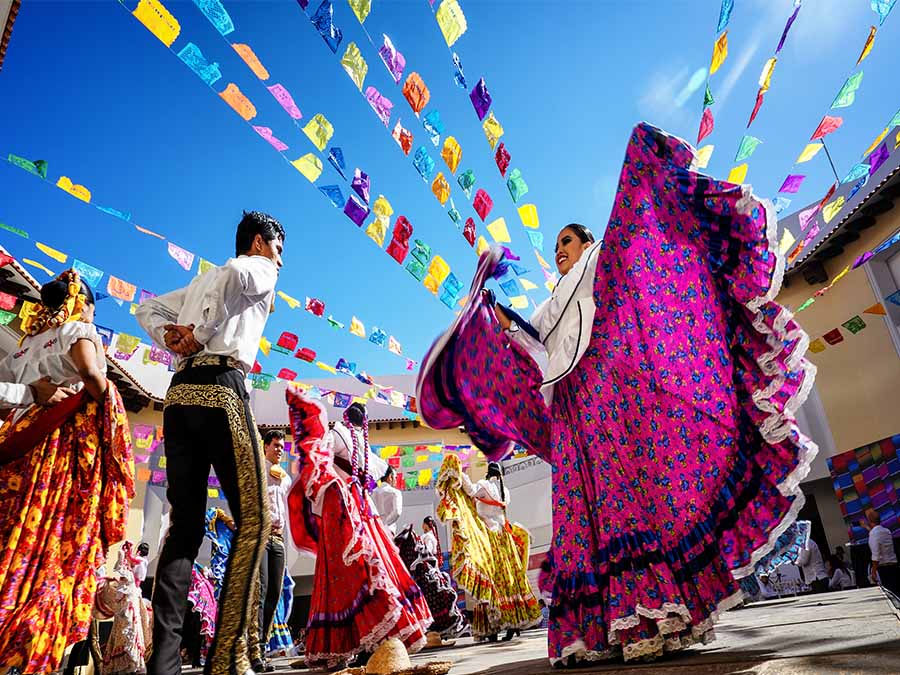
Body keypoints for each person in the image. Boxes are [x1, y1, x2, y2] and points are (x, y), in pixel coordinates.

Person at [417, 124, 817, 666]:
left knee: (628, 498)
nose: (559, 251)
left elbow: (632, 270)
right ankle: (601, 627)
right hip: (572, 411)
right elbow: (529, 346)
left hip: (612, 398)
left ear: (585, 243)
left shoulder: (601, 265)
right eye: (556, 245)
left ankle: (656, 610)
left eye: (566, 241)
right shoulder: (551, 302)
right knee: (586, 509)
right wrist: (489, 314)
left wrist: (640, 170)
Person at [137, 210, 285, 675]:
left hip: (179, 397)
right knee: (257, 517)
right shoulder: (254, 267)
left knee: (185, 527)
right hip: (221, 389)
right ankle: (229, 656)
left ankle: (163, 665)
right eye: (278, 249)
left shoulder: (201, 282)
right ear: (260, 242)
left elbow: (146, 308)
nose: (280, 261)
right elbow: (243, 273)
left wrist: (171, 336)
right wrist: (199, 334)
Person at [0, 269, 135, 673]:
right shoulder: (77, 329)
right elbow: (92, 376)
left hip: (16, 446)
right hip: (60, 451)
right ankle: (29, 643)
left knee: (12, 537)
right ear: (84, 305)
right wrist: (108, 403)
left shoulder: (22, 347)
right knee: (55, 543)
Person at [285, 389, 432, 669]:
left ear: (345, 416)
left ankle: (357, 643)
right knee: (371, 572)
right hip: (366, 511)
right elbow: (371, 475)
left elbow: (317, 457)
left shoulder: (339, 433)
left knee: (346, 574)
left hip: (346, 513)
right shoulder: (366, 448)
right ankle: (372, 641)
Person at [435, 456, 541, 643]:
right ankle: (514, 623)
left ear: (488, 473)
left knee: (490, 577)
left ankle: (493, 627)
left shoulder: (484, 486)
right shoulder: (505, 491)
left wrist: (459, 471)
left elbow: (468, 489)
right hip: (505, 538)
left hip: (489, 537)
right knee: (509, 580)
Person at [249, 429, 291, 672]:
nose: (279, 450)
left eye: (282, 446)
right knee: (261, 592)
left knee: (275, 593)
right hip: (261, 537)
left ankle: (262, 646)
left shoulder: (284, 478)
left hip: (278, 540)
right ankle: (255, 652)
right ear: (265, 446)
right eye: (275, 445)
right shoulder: (257, 470)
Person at [393, 520, 467, 641]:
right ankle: (439, 630)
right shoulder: (430, 537)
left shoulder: (428, 537)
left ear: (426, 525)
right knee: (436, 600)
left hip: (425, 570)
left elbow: (425, 553)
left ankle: (439, 629)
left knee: (435, 600)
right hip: (427, 569)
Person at [101, 541, 153, 674]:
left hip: (131, 598)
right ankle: (129, 661)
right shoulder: (137, 565)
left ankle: (130, 661)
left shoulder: (138, 564)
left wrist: (127, 553)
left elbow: (134, 563)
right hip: (131, 597)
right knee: (128, 627)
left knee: (130, 626)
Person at [864, 510, 899, 596]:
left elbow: (876, 555)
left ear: (869, 521)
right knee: (897, 591)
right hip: (893, 565)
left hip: (884, 568)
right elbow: (877, 534)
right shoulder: (886, 531)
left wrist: (873, 571)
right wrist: (866, 527)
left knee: (891, 594)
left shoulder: (873, 533)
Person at [372, 466, 403, 534]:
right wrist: (384, 524)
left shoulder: (372, 493)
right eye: (395, 477)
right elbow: (397, 512)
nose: (396, 480)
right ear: (390, 477)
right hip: (388, 530)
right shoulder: (395, 492)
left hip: (374, 531)